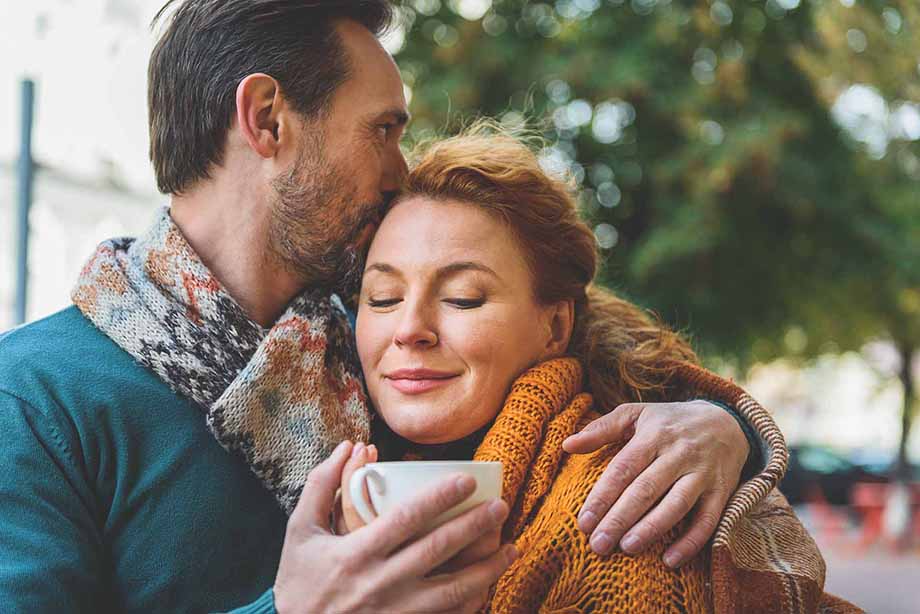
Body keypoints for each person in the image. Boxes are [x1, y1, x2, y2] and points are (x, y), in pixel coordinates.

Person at [0, 1, 777, 612]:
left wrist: (724, 430)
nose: (402, 170)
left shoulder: (378, 355)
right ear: (268, 119)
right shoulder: (35, 398)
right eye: (382, 130)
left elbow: (586, 349)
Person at [337, 127, 861, 613]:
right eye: (382, 298)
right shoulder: (319, 454)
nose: (410, 328)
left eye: (463, 298)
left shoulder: (622, 510)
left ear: (554, 326)